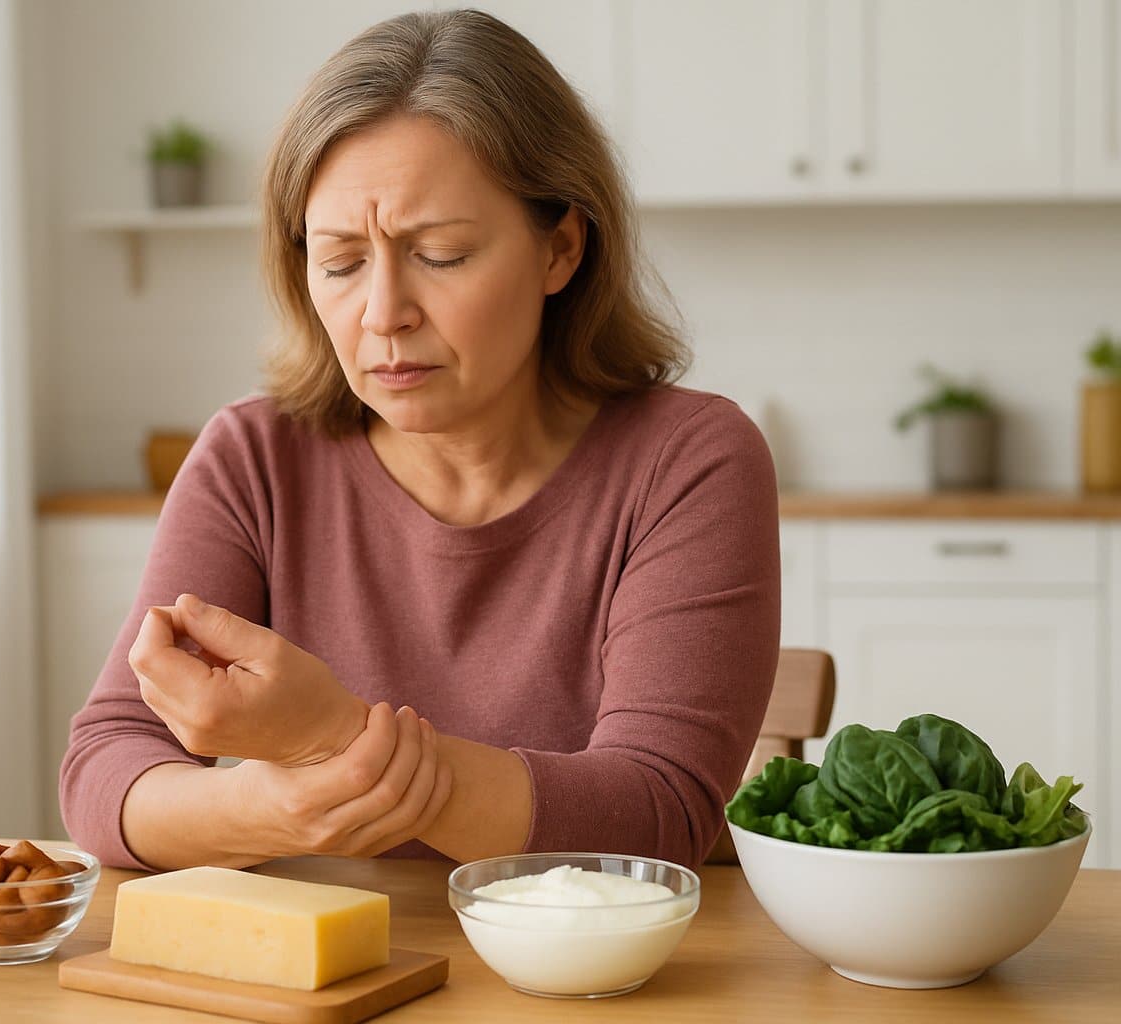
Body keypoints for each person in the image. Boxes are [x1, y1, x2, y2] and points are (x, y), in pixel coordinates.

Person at [59, 8, 780, 873]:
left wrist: (331, 740)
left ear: (561, 249)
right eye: (340, 262)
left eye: (439, 253)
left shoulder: (688, 461)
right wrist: (266, 807)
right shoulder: (254, 461)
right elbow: (106, 771)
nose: (383, 313)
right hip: (337, 987)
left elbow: (657, 814)